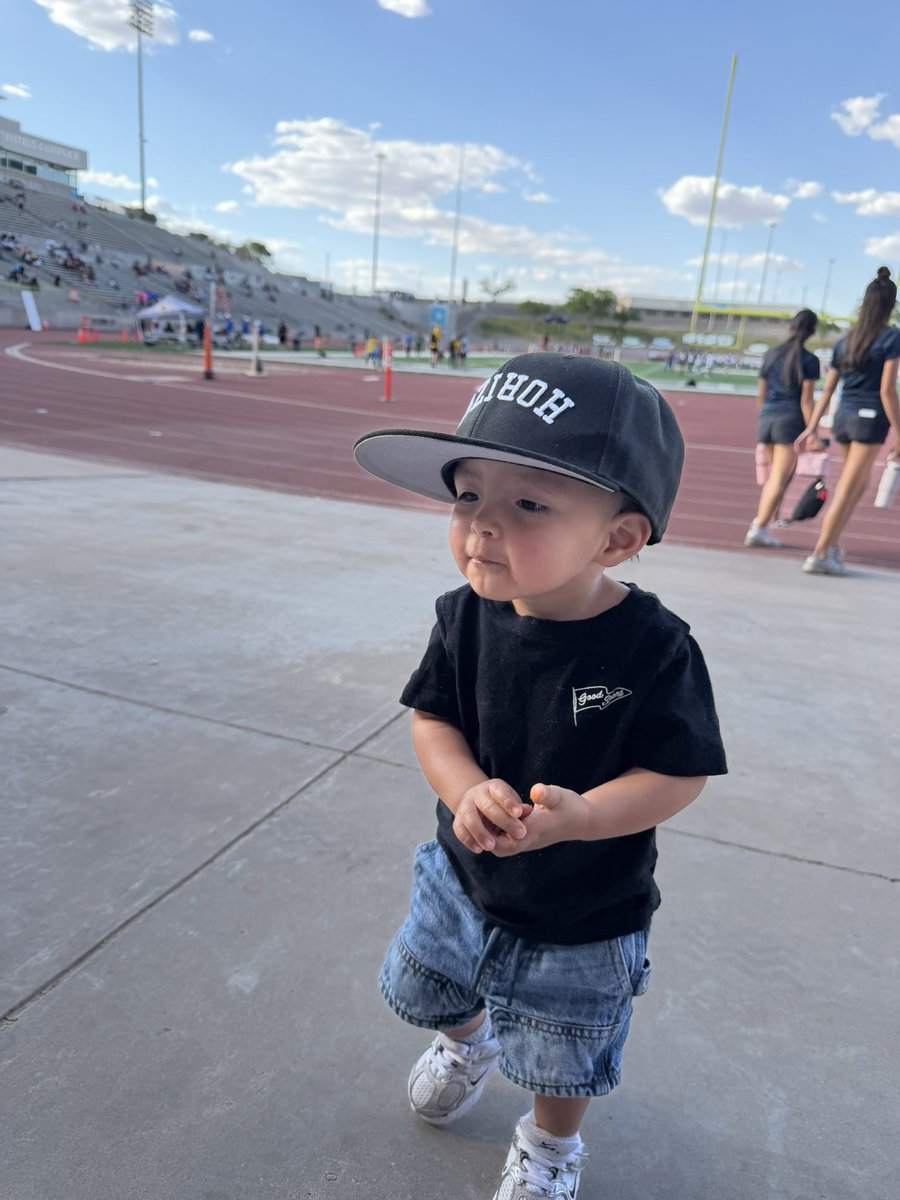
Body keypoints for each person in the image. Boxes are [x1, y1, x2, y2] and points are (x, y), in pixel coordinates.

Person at [353, 354, 727, 1200]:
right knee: (439, 979)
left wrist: (584, 816)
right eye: (467, 493)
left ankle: (550, 1146)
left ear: (619, 538)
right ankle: (467, 1040)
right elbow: (432, 718)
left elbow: (679, 771)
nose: (482, 525)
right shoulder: (463, 616)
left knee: (565, 1043)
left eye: (528, 503)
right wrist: (461, 791)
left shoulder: (654, 646)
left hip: (586, 907)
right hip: (462, 874)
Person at [796, 267, 900, 575]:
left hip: (842, 419)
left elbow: (827, 390)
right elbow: (887, 390)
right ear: (891, 305)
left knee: (859, 483)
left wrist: (813, 426)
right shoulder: (891, 339)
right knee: (848, 487)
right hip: (869, 421)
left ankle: (832, 547)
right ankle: (819, 553)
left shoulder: (846, 342)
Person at [744, 308, 820, 548]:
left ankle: (762, 525)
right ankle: (758, 528)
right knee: (778, 479)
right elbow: (806, 400)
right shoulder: (810, 360)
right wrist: (813, 431)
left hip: (767, 418)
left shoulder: (771, 355)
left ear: (791, 327)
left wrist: (764, 419)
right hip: (790, 421)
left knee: (772, 479)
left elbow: (761, 394)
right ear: (812, 332)